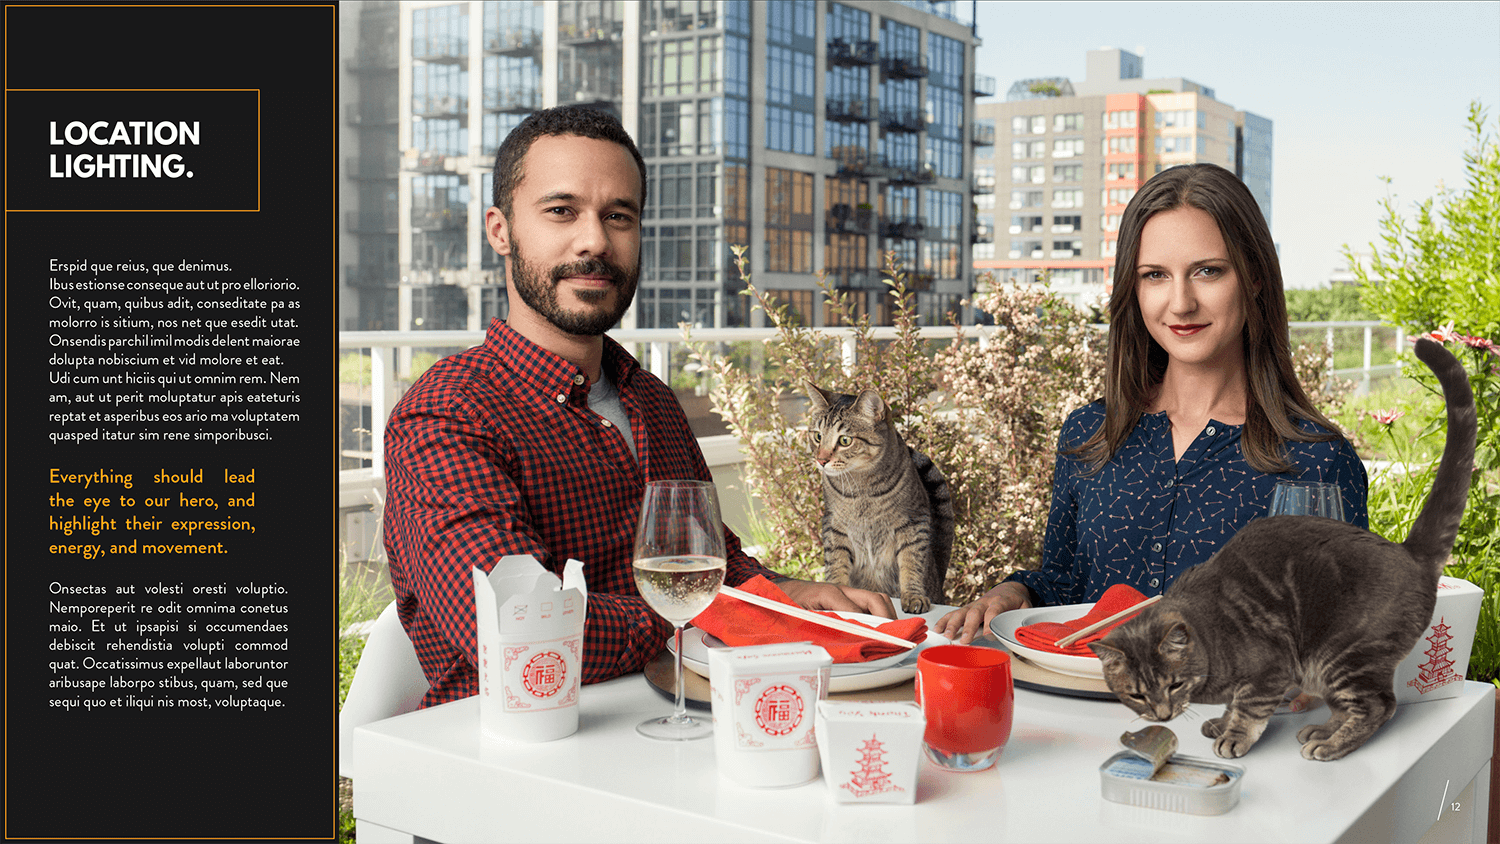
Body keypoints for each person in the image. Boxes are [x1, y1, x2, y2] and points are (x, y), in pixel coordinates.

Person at [382, 107, 894, 708]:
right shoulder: (447, 415)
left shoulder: (650, 397)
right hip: (512, 755)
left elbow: (713, 559)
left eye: (618, 216)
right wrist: (713, 610)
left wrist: (788, 592)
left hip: (676, 726)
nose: (595, 240)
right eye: (561, 211)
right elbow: (516, 626)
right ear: (501, 230)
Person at [937, 163, 1368, 646]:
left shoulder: (1318, 461)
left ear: (1254, 279)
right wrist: (1019, 592)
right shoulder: (1089, 434)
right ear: (1133, 288)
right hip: (1079, 711)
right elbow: (1067, 589)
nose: (1180, 303)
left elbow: (1341, 632)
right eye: (1155, 275)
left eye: (1208, 271)